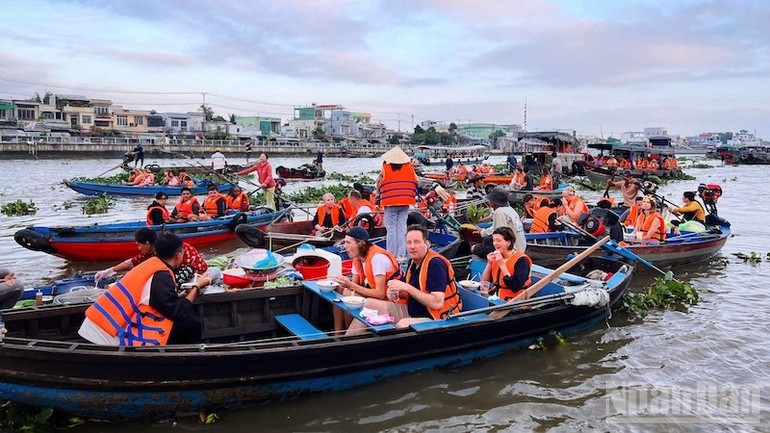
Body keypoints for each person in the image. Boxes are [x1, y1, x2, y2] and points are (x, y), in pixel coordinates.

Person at [80, 233, 210, 346]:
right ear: (178, 255)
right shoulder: (161, 275)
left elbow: (159, 300)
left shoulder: (149, 265)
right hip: (107, 335)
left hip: (99, 322)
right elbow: (178, 312)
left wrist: (181, 295)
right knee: (193, 323)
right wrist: (197, 287)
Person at [349, 225, 461, 333]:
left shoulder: (435, 265)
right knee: (368, 303)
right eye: (409, 242)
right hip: (411, 310)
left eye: (417, 242)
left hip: (435, 317)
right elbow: (409, 293)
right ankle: (349, 341)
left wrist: (407, 287)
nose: (412, 246)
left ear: (427, 244)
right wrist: (397, 293)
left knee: (402, 324)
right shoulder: (413, 261)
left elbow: (437, 303)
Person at [94, 228, 215, 292]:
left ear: (147, 244)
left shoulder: (165, 251)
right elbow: (134, 262)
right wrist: (109, 271)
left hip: (194, 272)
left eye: (139, 245)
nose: (138, 248)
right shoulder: (155, 250)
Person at [334, 227, 401, 333]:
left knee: (347, 293)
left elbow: (380, 294)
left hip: (389, 300)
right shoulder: (357, 258)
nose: (344, 246)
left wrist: (350, 286)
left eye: (348, 242)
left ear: (360, 244)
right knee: (341, 290)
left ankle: (348, 334)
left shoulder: (377, 258)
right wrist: (345, 283)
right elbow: (354, 286)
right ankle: (338, 332)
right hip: (372, 294)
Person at [377, 147, 418, 259]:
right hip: (405, 203)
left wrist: (377, 199)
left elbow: (379, 184)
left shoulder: (385, 169)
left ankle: (391, 255)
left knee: (391, 230)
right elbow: (417, 181)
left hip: (390, 203)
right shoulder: (409, 168)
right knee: (402, 229)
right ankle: (402, 255)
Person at [480, 227, 532, 301]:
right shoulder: (496, 257)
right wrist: (489, 264)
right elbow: (485, 282)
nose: (495, 243)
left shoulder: (521, 261)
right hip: (496, 296)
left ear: (509, 242)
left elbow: (515, 287)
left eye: (499, 241)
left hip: (514, 300)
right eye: (494, 240)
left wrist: (502, 265)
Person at [471, 187, 526, 257]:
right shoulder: (510, 210)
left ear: (494, 202)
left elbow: (499, 234)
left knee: (474, 248)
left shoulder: (499, 212)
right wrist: (482, 232)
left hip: (511, 250)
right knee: (487, 240)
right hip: (520, 247)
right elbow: (495, 228)